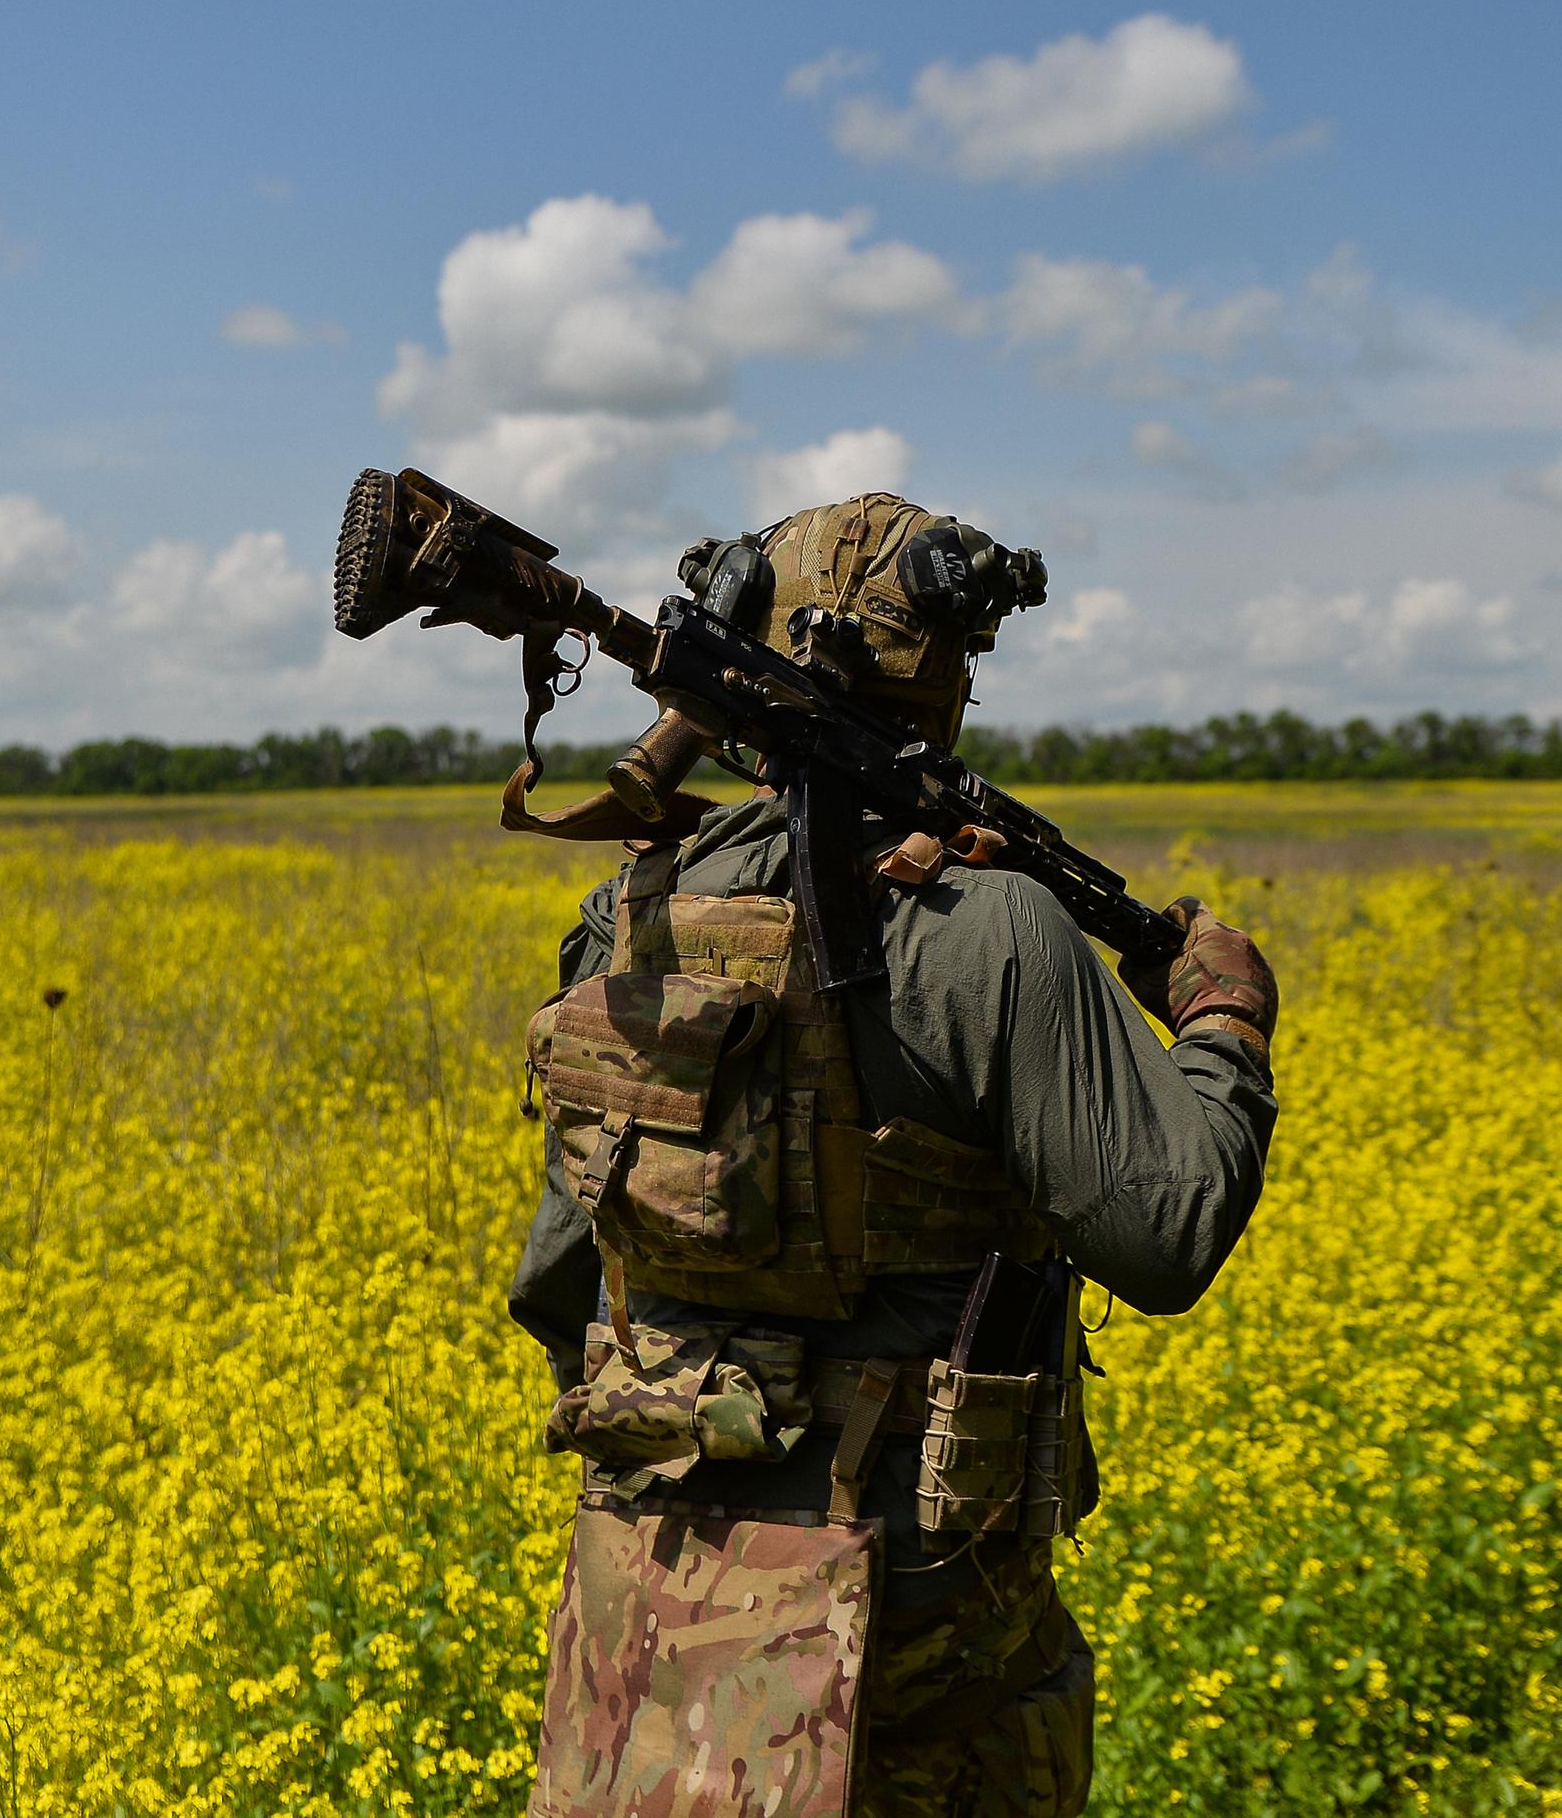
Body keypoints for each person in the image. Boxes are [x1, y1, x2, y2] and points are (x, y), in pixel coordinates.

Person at [508, 492, 1279, 1817]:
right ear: (946, 681)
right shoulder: (996, 932)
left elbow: (559, 1280)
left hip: (650, 1603)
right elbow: (1169, 1234)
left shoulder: (625, 912)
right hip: (915, 1634)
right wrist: (1223, 1023)